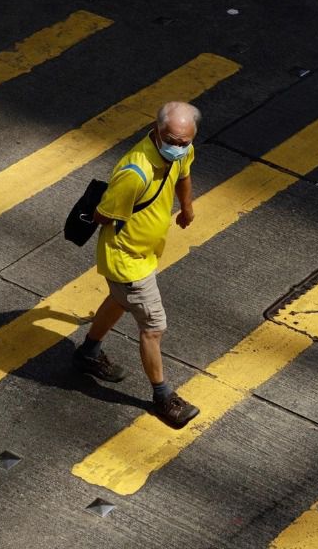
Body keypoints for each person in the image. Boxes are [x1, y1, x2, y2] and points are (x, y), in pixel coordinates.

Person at [73, 101, 201, 428]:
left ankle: (87, 354)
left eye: (183, 141)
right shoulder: (135, 173)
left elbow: (182, 174)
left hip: (146, 252)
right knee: (153, 327)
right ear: (156, 131)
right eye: (171, 140)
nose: (177, 147)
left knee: (119, 301)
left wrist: (186, 208)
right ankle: (163, 398)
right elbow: (103, 214)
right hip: (127, 259)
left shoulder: (183, 148)